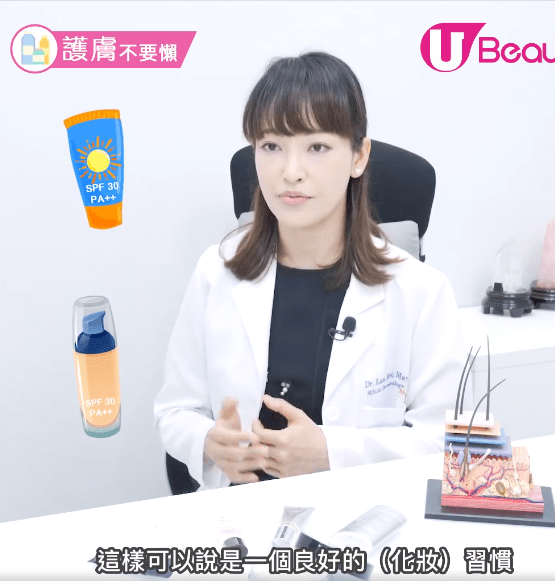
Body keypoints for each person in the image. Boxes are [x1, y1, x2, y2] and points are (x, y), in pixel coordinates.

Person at [154, 51, 470, 491]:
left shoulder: (421, 291)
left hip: (363, 515)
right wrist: (209, 442)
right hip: (240, 517)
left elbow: (452, 444)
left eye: (317, 147)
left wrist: (331, 454)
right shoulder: (216, 271)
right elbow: (175, 411)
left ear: (359, 156)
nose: (290, 172)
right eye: (271, 146)